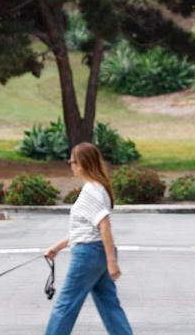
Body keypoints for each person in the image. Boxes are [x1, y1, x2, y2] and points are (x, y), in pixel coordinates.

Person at [43, 143, 133, 335]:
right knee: (109, 305)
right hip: (95, 252)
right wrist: (57, 248)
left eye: (72, 161)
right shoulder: (97, 188)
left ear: (81, 164)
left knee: (65, 304)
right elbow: (85, 229)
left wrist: (112, 261)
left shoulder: (91, 190)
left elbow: (104, 225)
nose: (70, 165)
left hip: (88, 254)